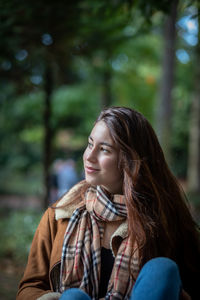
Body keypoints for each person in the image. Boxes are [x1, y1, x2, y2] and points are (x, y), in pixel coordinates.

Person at [17, 107, 200, 300]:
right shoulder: (60, 215)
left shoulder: (166, 220)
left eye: (104, 149)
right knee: (73, 298)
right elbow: (29, 287)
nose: (89, 156)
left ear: (130, 160)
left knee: (161, 271)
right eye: (90, 144)